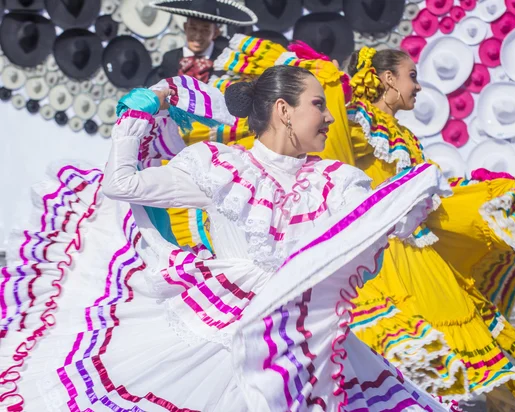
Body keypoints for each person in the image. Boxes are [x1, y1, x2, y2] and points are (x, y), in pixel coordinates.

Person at [0, 67, 452, 411]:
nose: (331, 117)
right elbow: (123, 185)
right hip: (221, 326)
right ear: (283, 110)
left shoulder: (337, 180)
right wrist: (136, 116)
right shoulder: (220, 166)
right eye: (319, 104)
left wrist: (412, 194)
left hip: (301, 338)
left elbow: (373, 226)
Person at [178, 37, 515, 410]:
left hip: (417, 257)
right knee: (392, 356)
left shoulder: (403, 133)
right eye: (411, 77)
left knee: (453, 350)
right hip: (378, 261)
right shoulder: (351, 118)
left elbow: (421, 196)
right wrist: (326, 82)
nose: (418, 87)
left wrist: (478, 194)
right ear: (388, 78)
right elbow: (323, 151)